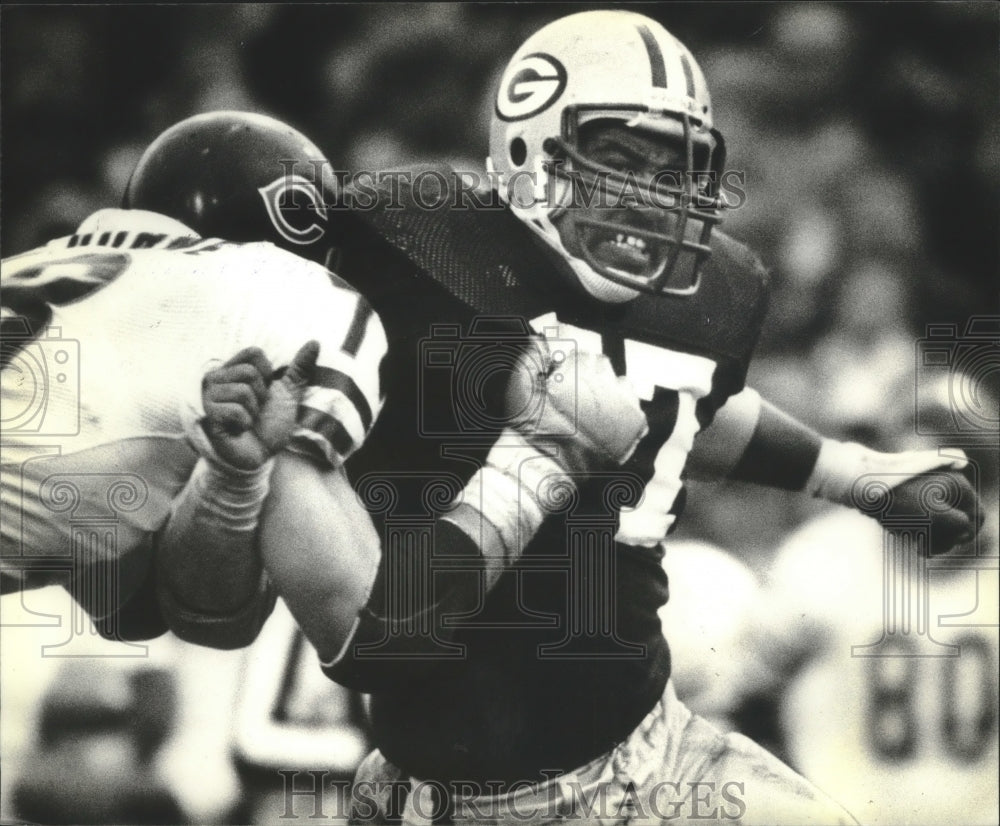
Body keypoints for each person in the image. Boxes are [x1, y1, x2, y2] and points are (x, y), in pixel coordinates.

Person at [157, 14, 981, 826]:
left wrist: (852, 473)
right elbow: (378, 640)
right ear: (527, 148)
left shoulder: (710, 293)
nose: (650, 199)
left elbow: (687, 403)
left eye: (674, 171)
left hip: (659, 751)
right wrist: (539, 457)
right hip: (463, 796)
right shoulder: (403, 256)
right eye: (620, 162)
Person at [0, 111, 388, 652]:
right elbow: (369, 636)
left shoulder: (33, 264)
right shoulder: (277, 286)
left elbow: (128, 610)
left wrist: (225, 475)